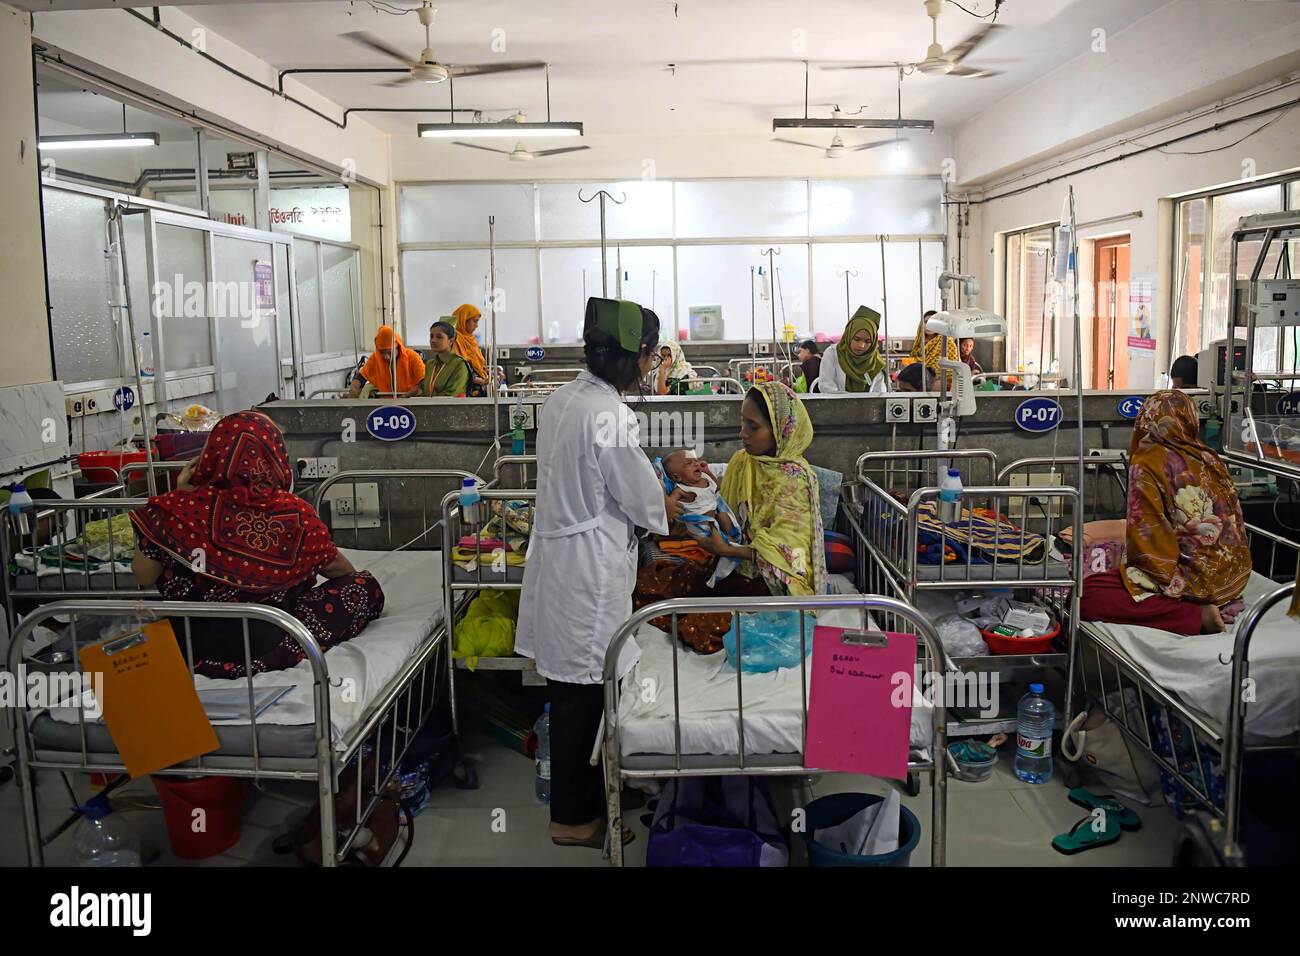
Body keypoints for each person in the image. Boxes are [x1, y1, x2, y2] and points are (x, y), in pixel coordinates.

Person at [515, 296, 686, 851]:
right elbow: (638, 499)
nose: (651, 365)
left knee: (579, 691)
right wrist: (672, 501)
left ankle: (599, 789)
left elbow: (598, 469)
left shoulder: (566, 398)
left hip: (564, 558)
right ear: (636, 358)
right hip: (586, 569)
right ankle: (573, 817)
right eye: (650, 355)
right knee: (581, 697)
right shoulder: (610, 414)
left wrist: (660, 470)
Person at [128, 411, 385, 677]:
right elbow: (342, 572)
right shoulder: (294, 514)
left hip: (188, 647)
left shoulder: (172, 509)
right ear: (272, 456)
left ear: (212, 454)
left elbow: (143, 574)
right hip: (265, 645)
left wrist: (179, 496)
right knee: (364, 587)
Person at [1080, 390, 1250, 635]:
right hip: (1229, 581)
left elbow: (1150, 539)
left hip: (1189, 583)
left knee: (1090, 594)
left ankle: (1196, 615)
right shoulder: (1210, 457)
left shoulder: (1147, 461)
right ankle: (1217, 605)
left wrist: (1135, 570)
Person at [818, 306, 888, 394]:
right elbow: (826, 387)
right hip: (837, 406)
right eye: (856, 339)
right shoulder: (832, 354)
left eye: (867, 341)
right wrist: (851, 401)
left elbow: (879, 394)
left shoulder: (876, 363)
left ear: (873, 342)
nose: (861, 346)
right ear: (849, 335)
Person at [349, 325, 424, 398]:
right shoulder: (375, 358)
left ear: (398, 346)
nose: (386, 357)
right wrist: (353, 390)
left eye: (389, 352)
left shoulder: (413, 357)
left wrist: (404, 397)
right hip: (385, 403)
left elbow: (423, 383)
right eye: (382, 352)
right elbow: (360, 377)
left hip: (410, 402)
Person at [450, 303, 491, 396]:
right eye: (475, 321)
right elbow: (457, 367)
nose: (476, 325)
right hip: (464, 391)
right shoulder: (454, 340)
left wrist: (488, 372)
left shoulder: (472, 339)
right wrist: (478, 380)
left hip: (478, 389)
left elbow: (476, 365)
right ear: (463, 320)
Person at [422, 320, 471, 397]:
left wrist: (429, 401)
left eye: (439, 337)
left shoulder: (460, 364)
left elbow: (453, 395)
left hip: (451, 408)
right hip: (428, 407)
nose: (433, 340)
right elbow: (424, 390)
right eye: (431, 336)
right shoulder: (430, 364)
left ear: (451, 341)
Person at [910, 310, 960, 383]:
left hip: (941, 383)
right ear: (922, 324)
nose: (929, 325)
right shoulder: (919, 342)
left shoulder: (946, 341)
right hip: (919, 381)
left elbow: (952, 367)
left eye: (933, 322)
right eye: (926, 322)